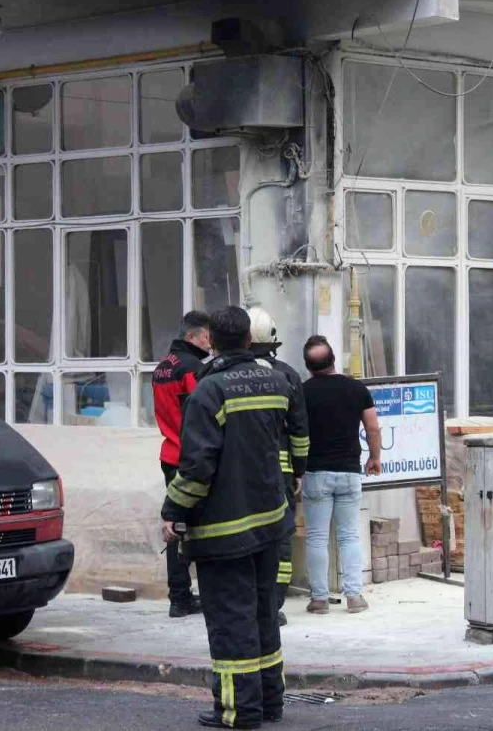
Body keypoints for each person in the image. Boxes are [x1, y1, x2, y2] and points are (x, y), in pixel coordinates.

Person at [161, 306, 306, 729]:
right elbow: (294, 440)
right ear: (247, 339)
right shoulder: (277, 381)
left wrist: (172, 511)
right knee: (263, 615)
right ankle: (269, 701)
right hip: (269, 520)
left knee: (231, 621)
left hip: (224, 531)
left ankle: (238, 710)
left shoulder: (210, 391)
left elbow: (197, 468)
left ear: (213, 342)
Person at [300, 336, 381, 615]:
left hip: (316, 473)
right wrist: (375, 457)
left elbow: (294, 431)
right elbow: (373, 428)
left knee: (317, 537)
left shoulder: (302, 392)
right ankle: (354, 597)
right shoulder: (356, 389)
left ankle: (320, 599)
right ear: (334, 359)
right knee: (349, 536)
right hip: (349, 472)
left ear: (308, 367)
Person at [245, 307, 308, 627]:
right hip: (279, 474)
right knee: (279, 536)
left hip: (237, 475)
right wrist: (299, 469)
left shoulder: (220, 376)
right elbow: (299, 431)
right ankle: (273, 603)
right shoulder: (287, 376)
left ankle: (247, 600)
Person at [152, 310, 210, 618]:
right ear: (191, 336)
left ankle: (179, 595)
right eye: (205, 337)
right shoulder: (193, 368)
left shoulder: (162, 367)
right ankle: (186, 596)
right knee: (200, 527)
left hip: (170, 454)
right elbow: (201, 414)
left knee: (176, 527)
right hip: (190, 458)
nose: (210, 343)